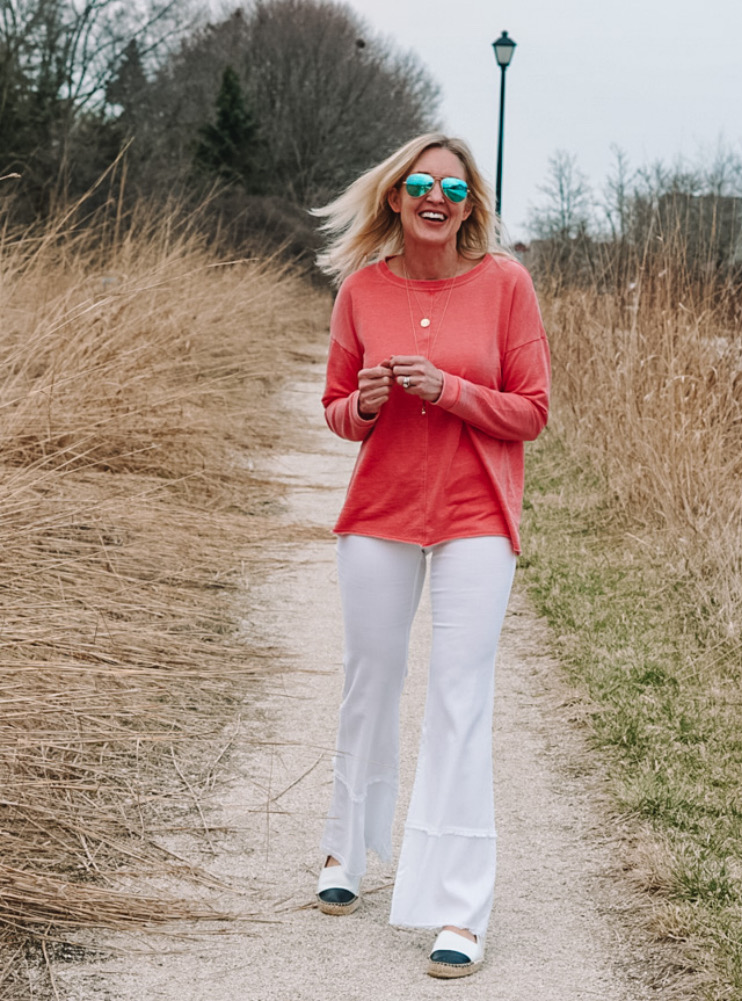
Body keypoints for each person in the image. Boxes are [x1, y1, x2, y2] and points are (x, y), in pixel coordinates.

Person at [311, 132, 550, 978]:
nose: (434, 196)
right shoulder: (362, 292)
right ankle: (346, 851)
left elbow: (532, 410)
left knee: (459, 699)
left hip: (476, 516)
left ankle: (460, 907)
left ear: (471, 205)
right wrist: (365, 405)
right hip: (379, 513)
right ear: (394, 198)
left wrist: (447, 390)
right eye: (418, 183)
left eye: (453, 186)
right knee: (369, 680)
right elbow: (336, 406)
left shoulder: (506, 285)